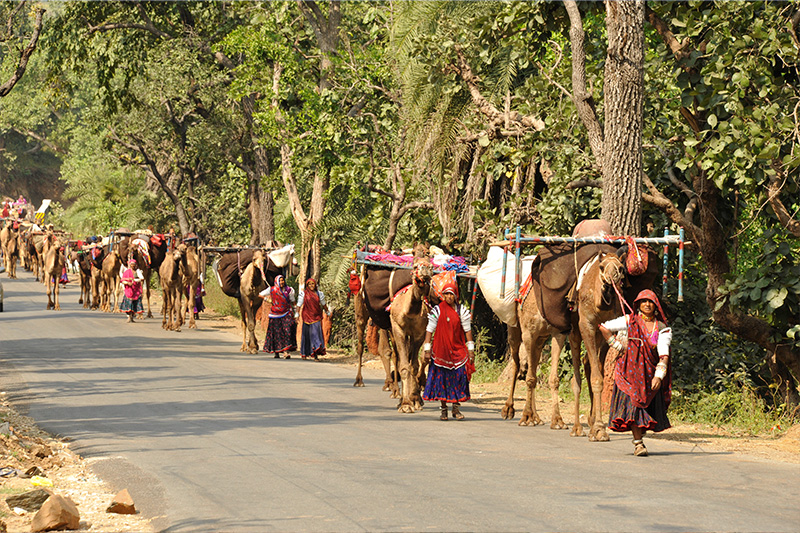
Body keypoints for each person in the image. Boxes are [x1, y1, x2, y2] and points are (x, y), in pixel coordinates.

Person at [598, 289, 673, 457]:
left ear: (656, 306)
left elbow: (664, 356)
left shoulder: (662, 329)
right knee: (634, 406)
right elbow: (604, 327)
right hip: (629, 373)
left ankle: (640, 434)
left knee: (645, 409)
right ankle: (638, 444)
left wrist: (658, 376)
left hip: (649, 375)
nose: (647, 304)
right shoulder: (629, 320)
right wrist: (617, 345)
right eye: (643, 301)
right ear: (638, 304)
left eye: (650, 302)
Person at [422, 272, 476, 421]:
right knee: (442, 382)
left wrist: (471, 351)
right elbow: (429, 330)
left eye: (451, 294)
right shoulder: (437, 310)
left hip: (458, 351)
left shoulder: (461, 311)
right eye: (446, 294)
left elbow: (467, 331)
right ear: (443, 296)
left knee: (459, 379)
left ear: (455, 295)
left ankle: (456, 409)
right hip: (440, 352)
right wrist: (427, 350)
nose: (449, 297)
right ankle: (444, 410)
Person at [259, 274, 296, 358]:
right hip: (275, 314)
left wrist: (296, 311)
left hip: (286, 313)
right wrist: (267, 299)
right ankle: (277, 352)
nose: (281, 282)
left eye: (282, 280)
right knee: (276, 334)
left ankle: (286, 351)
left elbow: (293, 301)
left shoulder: (289, 290)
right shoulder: (271, 289)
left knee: (287, 331)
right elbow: (260, 294)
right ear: (276, 281)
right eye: (280, 280)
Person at [297, 278, 329, 360]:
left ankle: (315, 355)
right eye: (309, 284)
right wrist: (297, 313)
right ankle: (305, 353)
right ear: (307, 285)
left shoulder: (319, 294)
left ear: (315, 285)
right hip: (307, 317)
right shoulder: (303, 294)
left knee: (316, 335)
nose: (311, 286)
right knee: (306, 335)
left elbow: (323, 304)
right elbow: (299, 304)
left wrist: (327, 311)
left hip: (316, 317)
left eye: (312, 284)